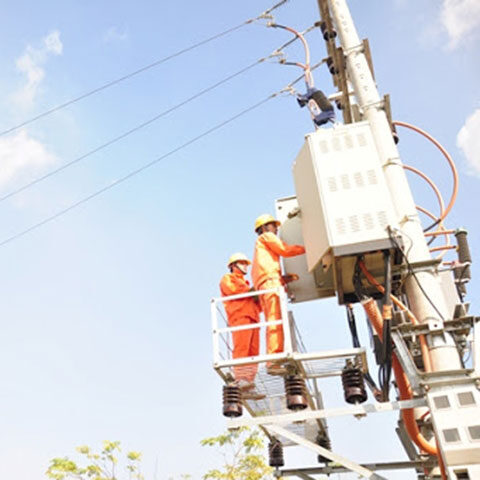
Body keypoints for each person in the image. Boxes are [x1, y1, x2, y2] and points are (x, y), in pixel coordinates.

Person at [251, 214, 305, 374]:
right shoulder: (266, 237)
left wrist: (283, 279)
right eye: (273, 225)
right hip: (270, 283)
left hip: (267, 284)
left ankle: (274, 358)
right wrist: (308, 247)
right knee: (275, 321)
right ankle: (273, 360)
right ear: (264, 227)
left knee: (273, 321)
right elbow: (284, 250)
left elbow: (267, 269)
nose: (276, 229)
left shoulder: (261, 246)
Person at [219, 253, 263, 394]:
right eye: (242, 263)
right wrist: (257, 288)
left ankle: (248, 382)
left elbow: (258, 303)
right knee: (242, 348)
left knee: (253, 352)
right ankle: (240, 378)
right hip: (240, 317)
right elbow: (235, 290)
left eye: (246, 264)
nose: (245, 266)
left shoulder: (246, 284)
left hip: (253, 318)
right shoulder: (228, 279)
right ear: (233, 265)